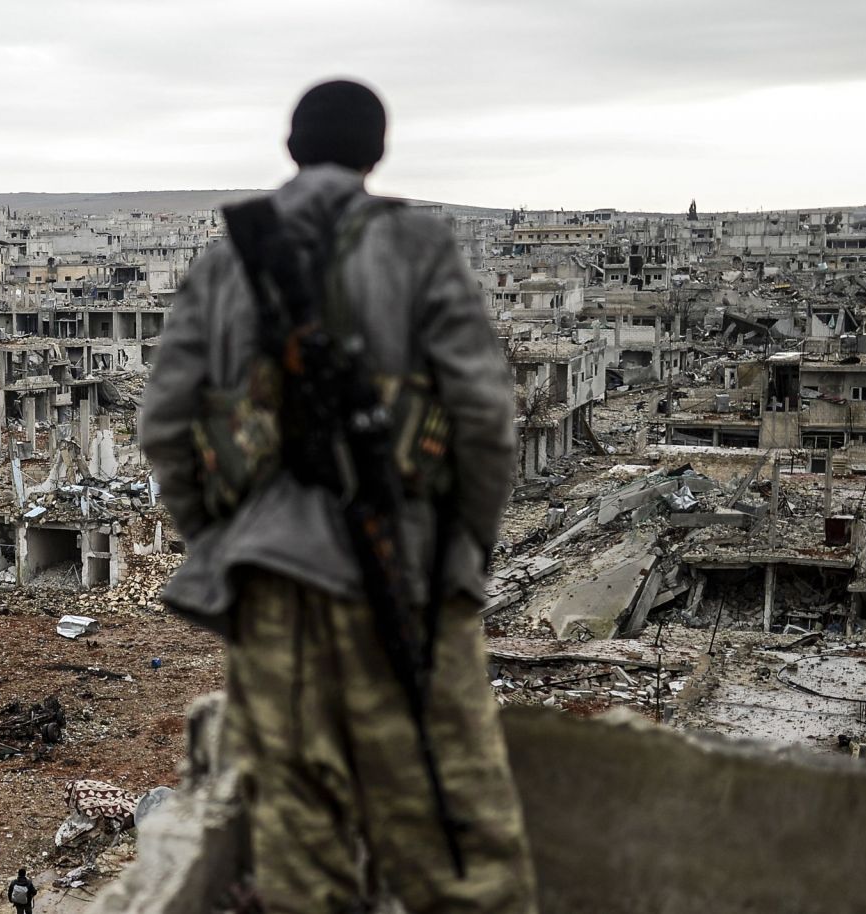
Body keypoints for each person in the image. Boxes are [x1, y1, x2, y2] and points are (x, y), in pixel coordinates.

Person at [138, 79, 537, 913]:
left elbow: (168, 428)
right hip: (409, 577)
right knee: (457, 844)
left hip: (273, 589)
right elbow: (484, 418)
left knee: (300, 847)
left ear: (290, 150)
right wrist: (461, 549)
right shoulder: (419, 245)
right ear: (377, 155)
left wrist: (230, 534)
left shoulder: (224, 261)